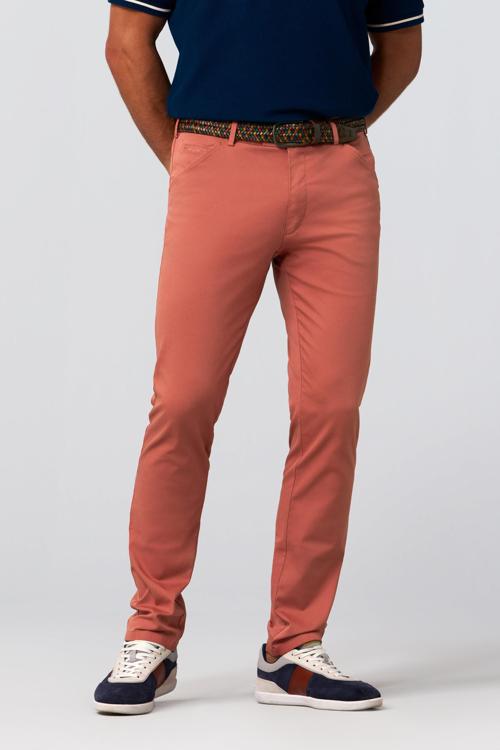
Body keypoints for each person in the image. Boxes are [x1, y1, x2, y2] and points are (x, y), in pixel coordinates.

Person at [94, 0, 423, 715]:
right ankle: (151, 630)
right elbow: (126, 43)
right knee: (183, 399)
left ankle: (294, 646)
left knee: (330, 408)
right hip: (218, 157)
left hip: (338, 172)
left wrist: (332, 132)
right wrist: (188, 160)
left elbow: (402, 51)